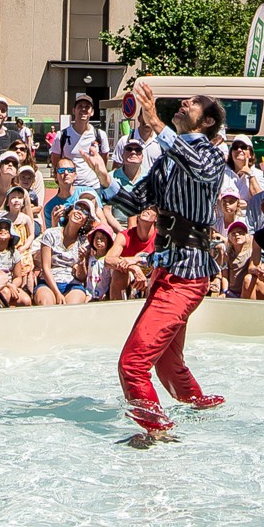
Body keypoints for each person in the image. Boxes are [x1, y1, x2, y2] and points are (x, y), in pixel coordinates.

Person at [85, 80, 227, 435]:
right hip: (165, 272)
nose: (184, 102)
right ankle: (202, 409)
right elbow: (135, 201)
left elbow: (196, 165)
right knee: (166, 363)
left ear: (208, 121)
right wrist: (105, 179)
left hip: (189, 275)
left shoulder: (212, 156)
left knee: (132, 365)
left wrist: (156, 122)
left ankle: (156, 431)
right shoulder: (166, 159)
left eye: (193, 102)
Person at [49, 95, 110, 195]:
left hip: (93, 187)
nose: (83, 109)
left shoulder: (100, 135)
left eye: (87, 107)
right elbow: (55, 161)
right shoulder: (61, 135)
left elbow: (104, 159)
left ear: (92, 112)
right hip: (69, 188)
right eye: (80, 106)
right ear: (74, 110)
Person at [35, 203, 93, 306]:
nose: (79, 212)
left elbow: (81, 277)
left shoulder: (85, 242)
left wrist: (81, 261)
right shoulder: (50, 234)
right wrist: (57, 292)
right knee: (46, 303)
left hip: (73, 285)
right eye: (77, 208)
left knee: (73, 307)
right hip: (48, 283)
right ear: (69, 213)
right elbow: (46, 267)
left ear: (86, 221)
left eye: (85, 212)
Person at [105, 206, 158, 301]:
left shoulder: (160, 237)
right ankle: (117, 307)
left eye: (151, 208)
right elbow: (108, 259)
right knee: (118, 273)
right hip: (131, 279)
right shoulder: (125, 236)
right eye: (144, 206)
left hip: (153, 277)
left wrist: (138, 259)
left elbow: (167, 258)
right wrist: (134, 268)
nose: (146, 209)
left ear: (156, 218)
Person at [224, 135, 264, 205]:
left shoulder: (259, 174)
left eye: (243, 147)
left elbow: (260, 201)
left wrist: (250, 174)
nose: (239, 150)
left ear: (251, 154)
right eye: (235, 147)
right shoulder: (223, 173)